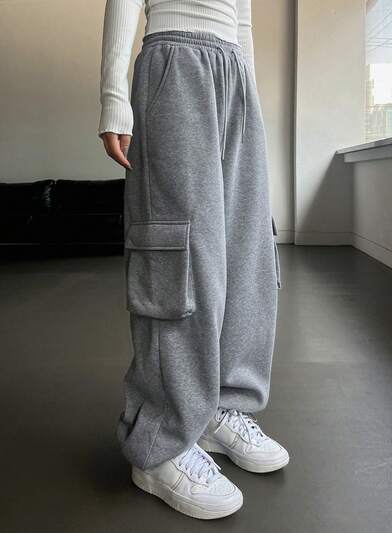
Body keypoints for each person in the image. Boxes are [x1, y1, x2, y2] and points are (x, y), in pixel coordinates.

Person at [98, 0, 289, 520]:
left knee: (246, 250)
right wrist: (114, 96)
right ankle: (159, 443)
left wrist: (248, 96)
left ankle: (221, 406)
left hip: (235, 73)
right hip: (174, 61)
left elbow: (242, 16)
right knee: (179, 254)